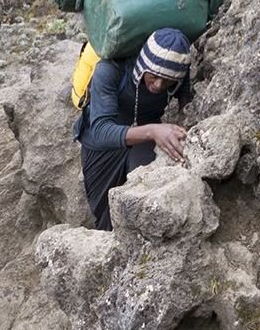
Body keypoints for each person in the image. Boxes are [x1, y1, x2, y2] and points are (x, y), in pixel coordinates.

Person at [73, 27, 194, 231]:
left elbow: (185, 98)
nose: (158, 85)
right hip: (102, 145)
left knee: (140, 194)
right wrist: (153, 131)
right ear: (142, 65)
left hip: (144, 140)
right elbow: (101, 130)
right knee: (104, 217)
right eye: (153, 77)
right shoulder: (110, 70)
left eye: (167, 81)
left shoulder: (177, 72)